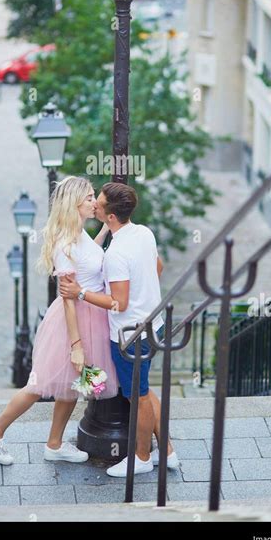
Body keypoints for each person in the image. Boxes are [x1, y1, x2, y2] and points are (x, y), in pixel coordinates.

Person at [0, 176, 119, 465]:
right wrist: (76, 344)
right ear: (75, 202)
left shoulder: (78, 234)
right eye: (90, 197)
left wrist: (106, 229)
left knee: (73, 386)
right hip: (74, 320)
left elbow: (88, 257)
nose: (95, 202)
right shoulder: (65, 242)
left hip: (90, 315)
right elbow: (67, 296)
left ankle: (54, 444)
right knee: (40, 385)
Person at [60, 181, 178, 477]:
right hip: (155, 324)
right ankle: (168, 451)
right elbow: (158, 268)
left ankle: (141, 457)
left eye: (97, 203)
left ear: (110, 216)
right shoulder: (144, 233)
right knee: (144, 392)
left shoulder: (115, 255)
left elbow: (119, 303)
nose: (94, 205)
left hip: (130, 336)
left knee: (137, 396)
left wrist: (81, 294)